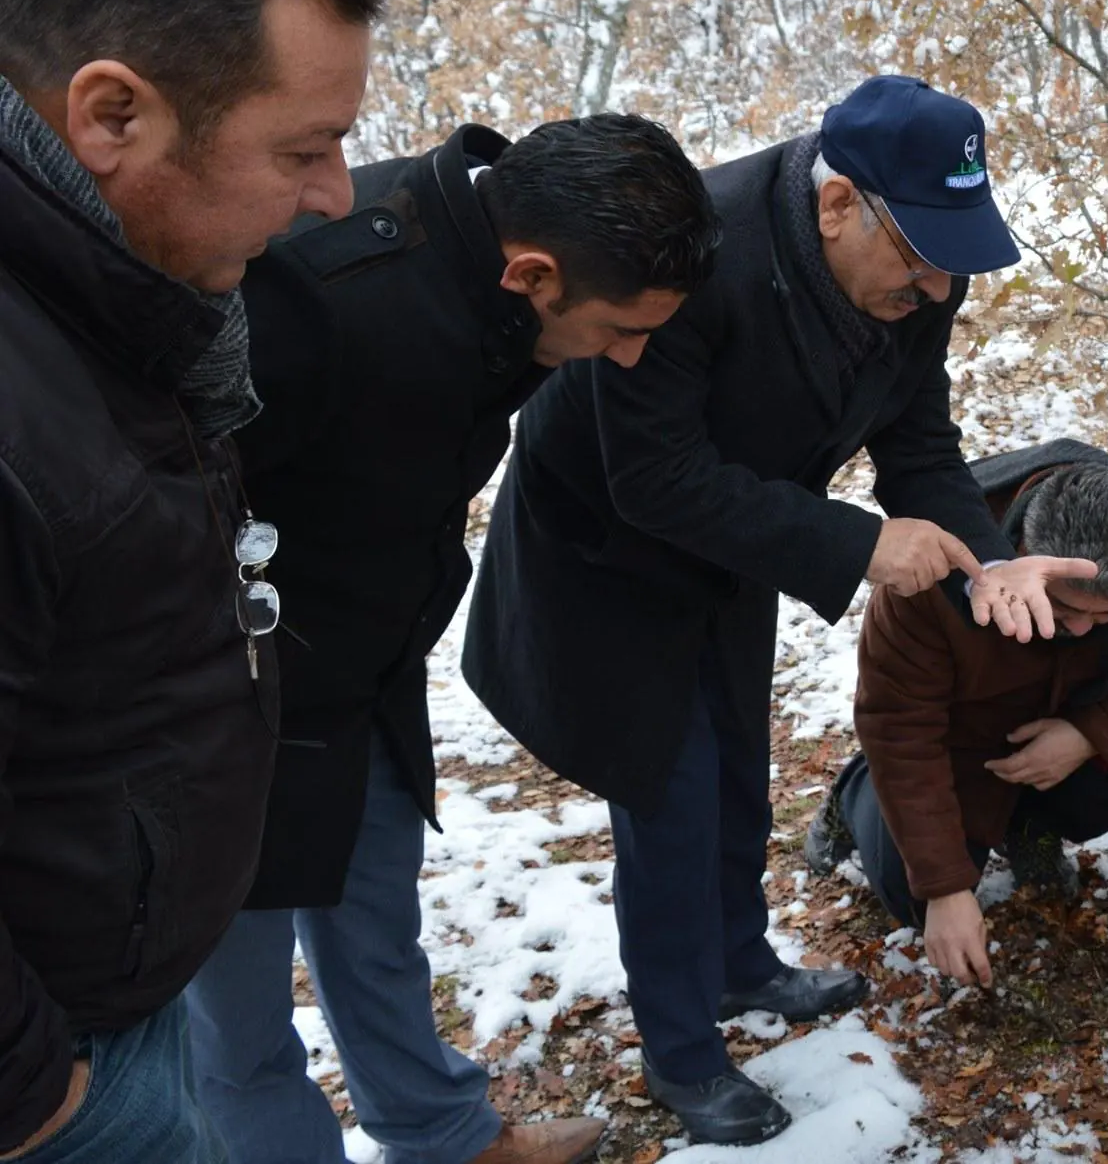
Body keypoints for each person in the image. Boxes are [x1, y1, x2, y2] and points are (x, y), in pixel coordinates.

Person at [460, 75, 1096, 1145]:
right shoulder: (697, 254)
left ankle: (738, 959)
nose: (939, 287)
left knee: (736, 769)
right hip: (610, 553)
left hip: (742, 538)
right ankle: (679, 1048)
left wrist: (986, 562)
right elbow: (654, 480)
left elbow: (918, 443)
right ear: (838, 203)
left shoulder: (921, 267)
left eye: (953, 257)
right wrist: (858, 541)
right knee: (668, 795)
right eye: (920, 257)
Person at [182, 115, 719, 1164]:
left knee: (373, 916)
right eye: (618, 327)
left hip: (365, 665)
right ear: (532, 274)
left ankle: (438, 1131)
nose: (631, 354)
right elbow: (167, 502)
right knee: (235, 1003)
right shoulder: (315, 296)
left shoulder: (495, 280)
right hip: (226, 696)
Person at [0, 0, 379, 1161]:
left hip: (110, 996)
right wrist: (36, 1097)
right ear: (113, 113)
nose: (337, 193)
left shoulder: (114, 291)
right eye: (302, 148)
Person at [806, 440, 1108, 986]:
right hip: (956, 748)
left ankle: (1031, 827)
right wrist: (944, 889)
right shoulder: (934, 565)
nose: (1078, 630)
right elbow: (899, 722)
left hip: (1064, 729)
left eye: (1105, 617)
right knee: (913, 900)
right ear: (1025, 547)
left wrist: (1088, 735)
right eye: (1065, 608)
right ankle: (853, 793)